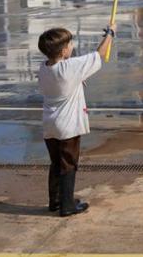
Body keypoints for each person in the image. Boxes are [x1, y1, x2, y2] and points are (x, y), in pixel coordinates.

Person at [38, 24, 115, 216]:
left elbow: (65, 79)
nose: (72, 46)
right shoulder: (69, 67)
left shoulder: (44, 68)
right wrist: (110, 34)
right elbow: (99, 54)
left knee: (56, 163)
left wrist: (78, 79)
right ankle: (67, 206)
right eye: (70, 44)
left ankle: (55, 201)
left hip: (49, 125)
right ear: (64, 50)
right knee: (68, 164)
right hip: (67, 126)